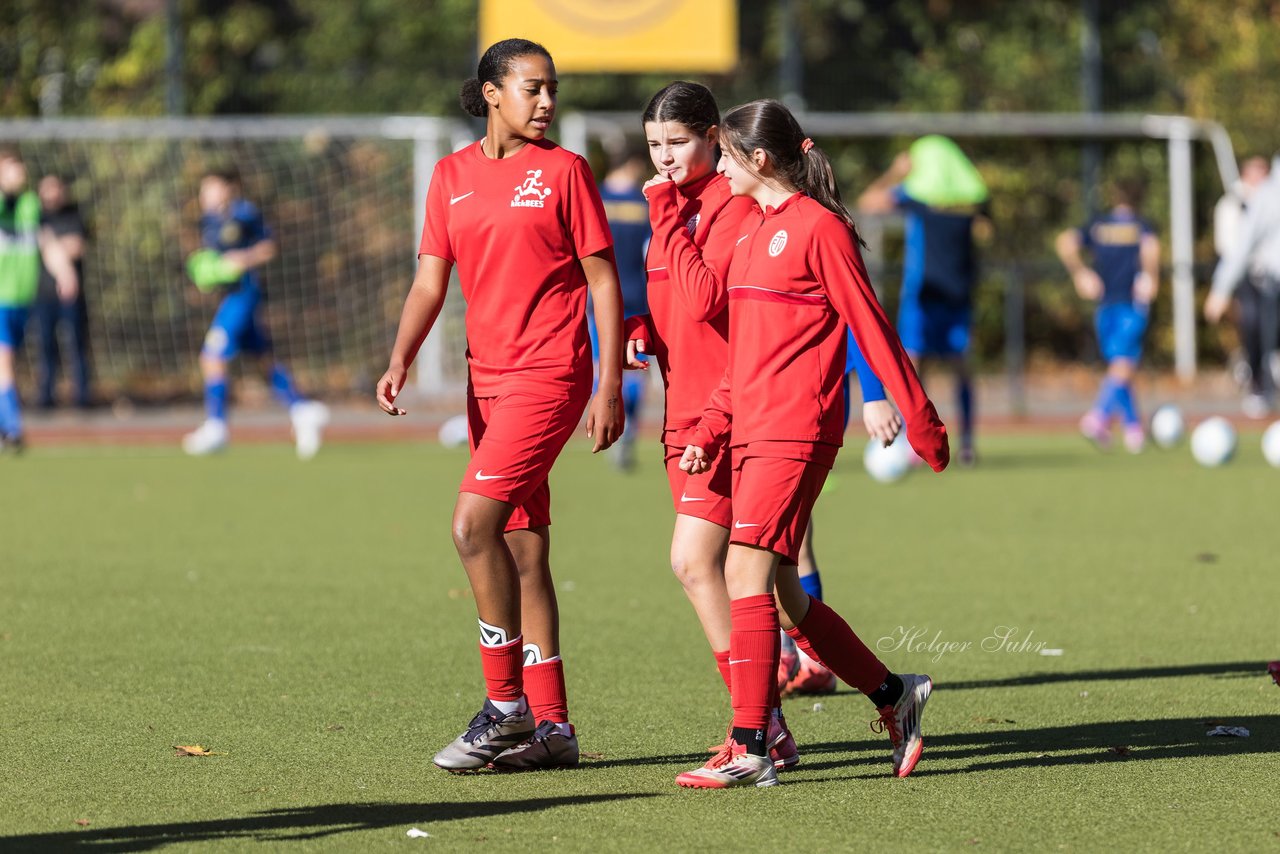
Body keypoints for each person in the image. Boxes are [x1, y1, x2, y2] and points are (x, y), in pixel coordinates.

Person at [674, 100, 949, 789]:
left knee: (744, 572)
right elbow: (746, 357)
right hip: (751, 430)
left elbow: (872, 327)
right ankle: (894, 695)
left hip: (798, 430)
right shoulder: (753, 233)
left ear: (758, 159)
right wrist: (711, 426)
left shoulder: (821, 228)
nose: (720, 168)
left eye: (727, 156)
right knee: (787, 594)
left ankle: (751, 748)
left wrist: (920, 421)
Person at [375, 38, 625, 773]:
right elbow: (430, 282)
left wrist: (609, 383)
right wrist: (400, 356)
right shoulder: (450, 176)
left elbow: (604, 282)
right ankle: (554, 728)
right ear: (491, 92)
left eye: (553, 89)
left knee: (469, 526)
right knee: (522, 550)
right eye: (532, 88)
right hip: (486, 382)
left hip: (550, 376)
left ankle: (506, 708)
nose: (547, 102)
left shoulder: (565, 173)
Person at [857, 136, 989, 465]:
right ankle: (965, 445)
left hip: (925, 293)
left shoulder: (916, 196)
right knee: (957, 368)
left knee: (915, 369)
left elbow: (868, 201)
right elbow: (986, 230)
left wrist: (895, 173)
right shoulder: (971, 200)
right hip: (957, 293)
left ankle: (912, 441)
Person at [182, 167, 329, 459]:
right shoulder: (207, 221)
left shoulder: (245, 214)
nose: (204, 195)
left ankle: (217, 427)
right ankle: (302, 410)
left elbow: (269, 247)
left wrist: (243, 258)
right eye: (202, 190)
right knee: (263, 361)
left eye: (209, 188)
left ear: (226, 189)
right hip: (228, 296)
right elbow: (213, 260)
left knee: (211, 357)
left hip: (243, 296)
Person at [1055, 179, 1159, 453]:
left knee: (1120, 364)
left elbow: (1065, 242)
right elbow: (1151, 251)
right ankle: (1098, 416)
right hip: (1131, 303)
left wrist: (1080, 273)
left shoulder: (1097, 225)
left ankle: (1133, 429)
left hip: (1105, 305)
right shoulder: (1142, 226)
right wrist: (1151, 277)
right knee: (1123, 365)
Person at [0, 149, 78, 451]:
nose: (17, 174)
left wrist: (64, 272)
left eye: (19, 168)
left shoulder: (31, 206)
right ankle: (13, 429)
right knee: (4, 364)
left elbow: (48, 243)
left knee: (9, 365)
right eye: (10, 169)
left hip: (22, 300)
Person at [595, 142, 652, 470]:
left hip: (600, 297)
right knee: (637, 366)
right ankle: (628, 425)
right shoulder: (643, 204)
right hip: (639, 295)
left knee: (602, 362)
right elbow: (650, 250)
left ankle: (608, 418)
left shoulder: (596, 199)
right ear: (632, 164)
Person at [1211, 156, 1275, 416]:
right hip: (1246, 279)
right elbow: (1233, 247)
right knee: (1253, 325)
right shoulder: (1232, 204)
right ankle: (1257, 384)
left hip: (1271, 277)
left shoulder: (1271, 195)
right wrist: (1222, 287)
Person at [34, 174, 91, 410]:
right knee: (46, 345)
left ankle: (82, 397)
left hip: (70, 294)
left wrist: (51, 247)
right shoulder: (34, 217)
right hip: (42, 293)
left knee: (76, 343)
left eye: (55, 188)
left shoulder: (73, 215)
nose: (51, 193)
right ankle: (46, 396)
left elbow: (77, 246)